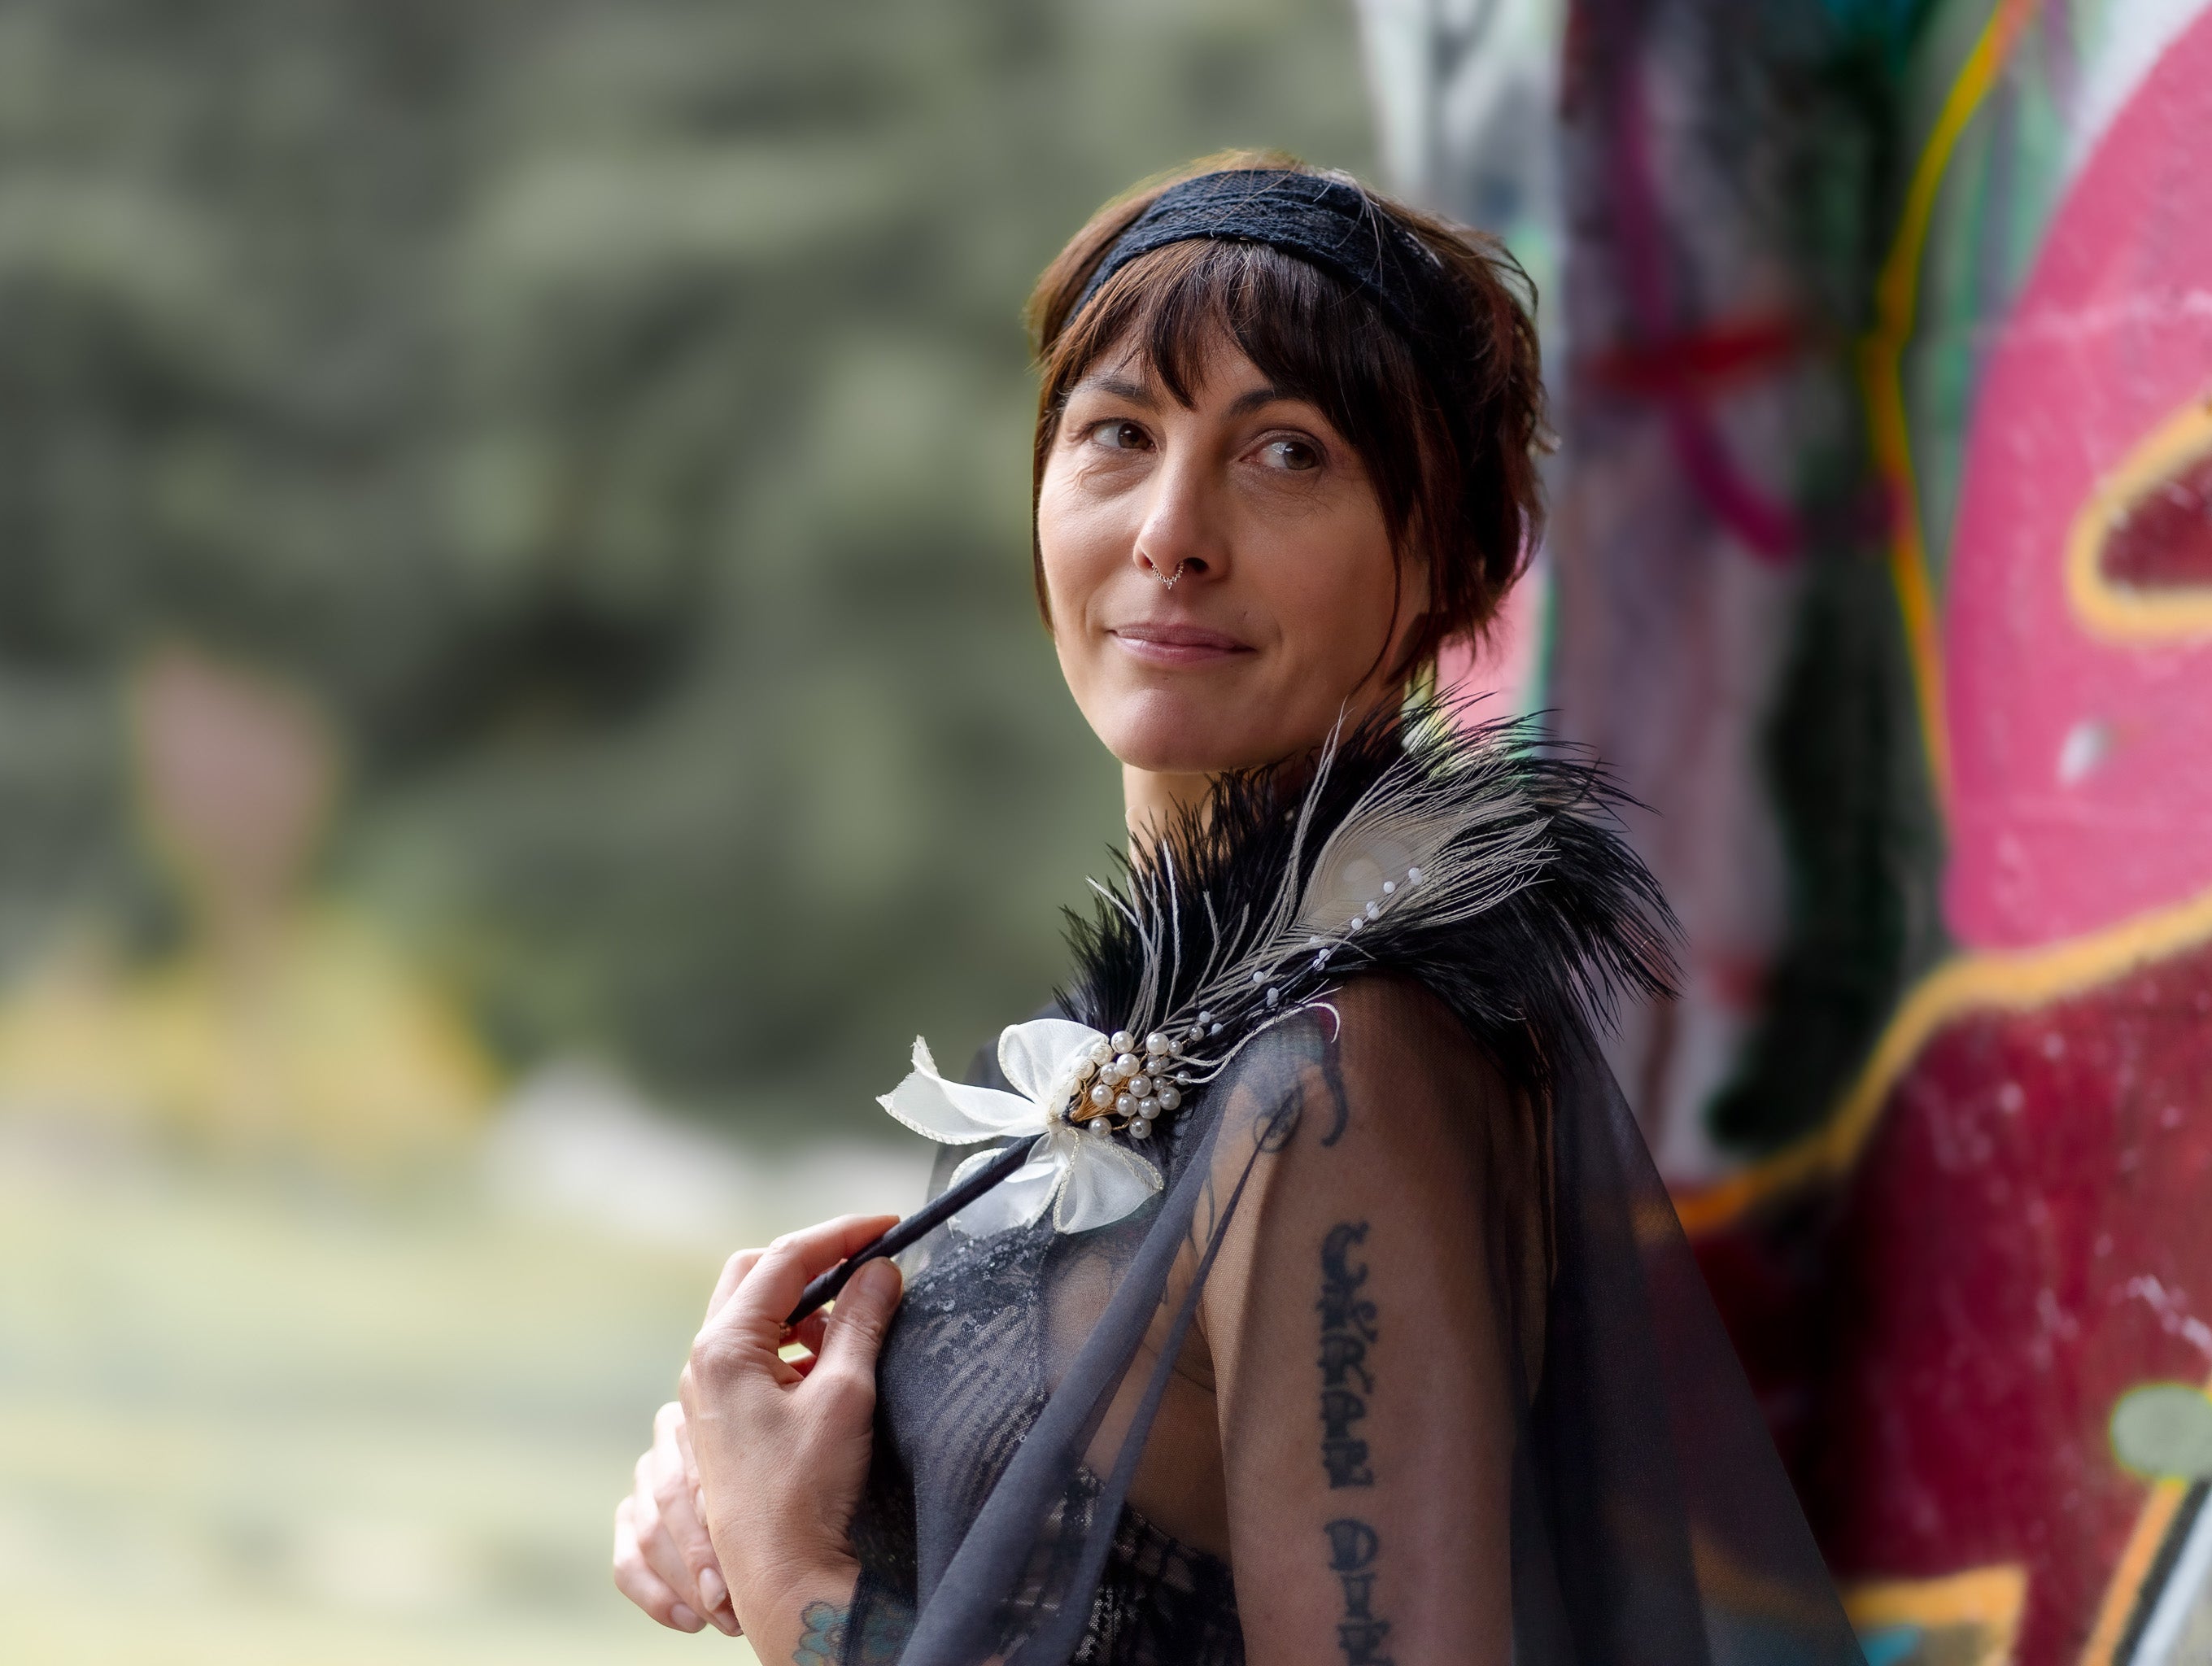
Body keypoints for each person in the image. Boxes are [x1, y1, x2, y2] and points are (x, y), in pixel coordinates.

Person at [612, 154, 1863, 1666]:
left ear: (1450, 568)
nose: (1172, 533)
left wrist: (801, 1582)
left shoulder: (1336, 1078)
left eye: (1287, 455)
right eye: (1119, 435)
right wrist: (766, 1478)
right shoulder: (1160, 1036)